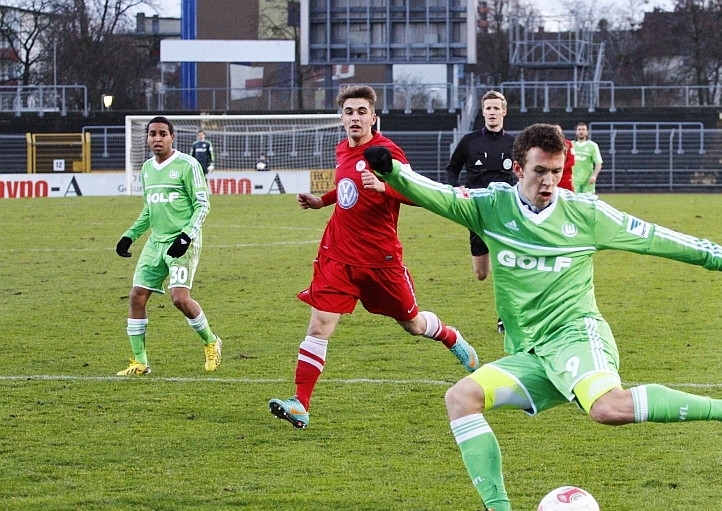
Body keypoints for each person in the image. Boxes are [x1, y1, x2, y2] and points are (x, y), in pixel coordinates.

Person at [362, 123, 722, 511]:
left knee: (607, 408)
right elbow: (434, 194)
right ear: (518, 168)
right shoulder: (489, 207)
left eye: (556, 171)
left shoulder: (585, 213)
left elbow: (653, 237)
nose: (549, 181)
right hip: (532, 352)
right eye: (539, 171)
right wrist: (392, 171)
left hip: (576, 335)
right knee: (461, 397)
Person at [267, 85, 480, 430]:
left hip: (380, 261)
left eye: (361, 112)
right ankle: (300, 404)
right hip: (338, 254)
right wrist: (322, 201)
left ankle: (449, 336)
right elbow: (348, 187)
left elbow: (419, 193)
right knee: (320, 325)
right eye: (349, 112)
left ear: (373, 118)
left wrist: (385, 187)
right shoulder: (342, 149)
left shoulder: (386, 152)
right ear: (342, 119)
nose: (355, 118)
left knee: (412, 325)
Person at [115, 116, 221, 376]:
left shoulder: (188, 165)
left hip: (182, 241)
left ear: (172, 137)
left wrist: (186, 237)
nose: (157, 138)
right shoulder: (147, 169)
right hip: (156, 242)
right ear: (147, 138)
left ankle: (211, 341)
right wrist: (130, 236)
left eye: (162, 134)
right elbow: (149, 210)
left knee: (179, 298)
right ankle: (140, 362)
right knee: (137, 296)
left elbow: (202, 205)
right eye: (152, 134)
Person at [445, 90, 516, 283]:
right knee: (481, 274)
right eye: (488, 108)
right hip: (477, 210)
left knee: (507, 267)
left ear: (504, 112)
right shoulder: (470, 141)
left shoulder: (513, 143)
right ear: (483, 112)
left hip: (504, 208)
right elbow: (452, 169)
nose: (492, 112)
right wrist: (455, 188)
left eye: (496, 108)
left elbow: (525, 171)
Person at [572, 122, 603, 194]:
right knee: (573, 200)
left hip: (587, 181)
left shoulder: (593, 146)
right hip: (574, 180)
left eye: (583, 129)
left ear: (587, 132)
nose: (581, 131)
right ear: (576, 132)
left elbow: (598, 163)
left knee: (587, 200)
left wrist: (594, 176)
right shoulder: (571, 145)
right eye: (579, 129)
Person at [556, 126, 575, 192]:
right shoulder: (548, 145)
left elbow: (572, 161)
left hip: (565, 177)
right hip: (553, 176)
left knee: (568, 195)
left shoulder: (568, 144)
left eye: (558, 131)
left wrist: (560, 168)